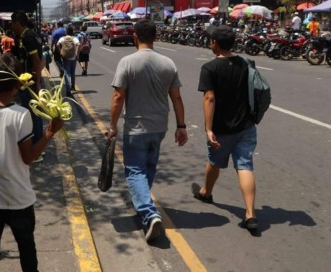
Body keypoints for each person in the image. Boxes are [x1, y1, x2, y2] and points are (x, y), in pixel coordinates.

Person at [0, 54, 63, 272]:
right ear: (18, 84)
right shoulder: (21, 115)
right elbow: (28, 157)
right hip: (18, 197)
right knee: (26, 248)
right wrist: (49, 132)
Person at [105, 19, 188, 242]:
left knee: (134, 171)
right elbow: (177, 97)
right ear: (155, 37)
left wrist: (112, 126)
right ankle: (145, 209)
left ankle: (150, 214)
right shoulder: (168, 63)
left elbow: (118, 96)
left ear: (135, 37)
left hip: (136, 127)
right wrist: (181, 126)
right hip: (160, 126)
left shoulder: (127, 62)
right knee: (148, 167)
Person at [194, 25, 259, 232]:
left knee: (214, 161)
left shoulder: (210, 68)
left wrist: (208, 128)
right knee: (245, 166)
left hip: (222, 127)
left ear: (214, 43)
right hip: (246, 125)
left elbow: (209, 97)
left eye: (211, 40)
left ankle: (206, 192)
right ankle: (250, 214)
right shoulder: (246, 64)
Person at [10, 11, 44, 153]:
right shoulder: (28, 35)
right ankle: (37, 144)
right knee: (33, 112)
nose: (11, 26)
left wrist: (36, 83)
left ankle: (37, 147)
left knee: (33, 113)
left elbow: (36, 60)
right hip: (28, 80)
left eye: (12, 23)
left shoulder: (28, 37)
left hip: (28, 82)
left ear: (18, 23)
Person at [57, 25, 79, 97]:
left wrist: (60, 51)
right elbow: (79, 44)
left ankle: (68, 90)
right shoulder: (74, 38)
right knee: (73, 73)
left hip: (65, 58)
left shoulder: (62, 38)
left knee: (66, 74)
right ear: (72, 31)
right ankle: (73, 86)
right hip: (73, 58)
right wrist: (76, 53)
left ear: (66, 32)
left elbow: (57, 44)